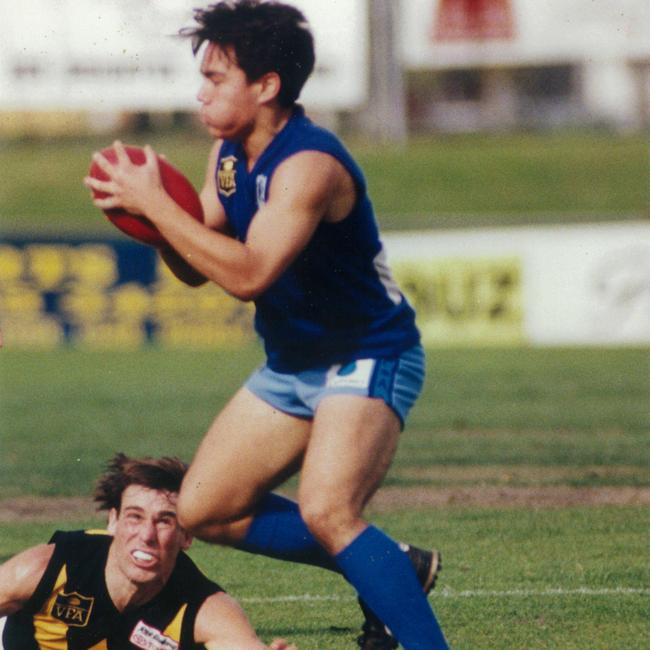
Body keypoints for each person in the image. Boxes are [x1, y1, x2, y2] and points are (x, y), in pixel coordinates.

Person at [83, 2, 449, 648]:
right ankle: (395, 565)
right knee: (201, 508)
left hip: (368, 353)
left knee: (328, 509)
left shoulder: (309, 165)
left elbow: (251, 274)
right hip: (294, 365)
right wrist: (150, 216)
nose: (201, 93)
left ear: (267, 86)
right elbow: (197, 262)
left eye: (217, 79)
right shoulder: (228, 155)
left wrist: (155, 208)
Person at [0, 453, 296, 650]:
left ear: (186, 535)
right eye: (135, 516)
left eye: (165, 521)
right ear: (113, 521)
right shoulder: (46, 569)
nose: (147, 535)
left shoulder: (202, 606)